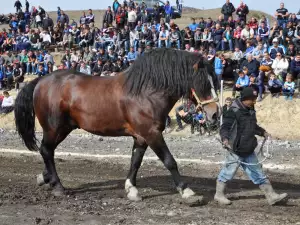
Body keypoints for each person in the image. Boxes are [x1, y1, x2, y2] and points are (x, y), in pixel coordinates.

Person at [215, 87, 288, 206]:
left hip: (248, 148)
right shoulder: (232, 111)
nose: (254, 101)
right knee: (228, 172)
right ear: (245, 99)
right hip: (236, 149)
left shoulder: (250, 109)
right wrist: (225, 138)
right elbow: (225, 127)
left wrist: (263, 132)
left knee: (258, 172)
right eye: (252, 99)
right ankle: (218, 195)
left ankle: (271, 196)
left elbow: (253, 126)